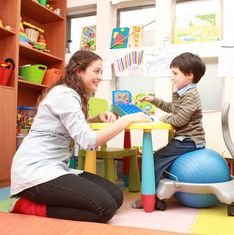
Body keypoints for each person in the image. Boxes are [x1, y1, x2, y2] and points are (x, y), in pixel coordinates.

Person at [10, 50, 151, 222]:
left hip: (55, 167)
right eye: (96, 71)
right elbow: (88, 141)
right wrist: (127, 119)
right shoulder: (64, 95)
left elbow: (73, 127)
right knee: (105, 208)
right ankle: (25, 206)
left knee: (116, 196)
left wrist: (97, 118)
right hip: (34, 172)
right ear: (79, 71)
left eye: (101, 72)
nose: (100, 77)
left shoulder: (72, 93)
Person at [132, 52, 206, 209]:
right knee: (159, 157)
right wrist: (154, 101)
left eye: (175, 73)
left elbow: (179, 120)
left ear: (189, 75)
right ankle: (159, 195)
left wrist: (163, 118)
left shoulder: (191, 95)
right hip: (184, 139)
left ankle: (148, 195)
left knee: (155, 158)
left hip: (189, 140)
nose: (172, 77)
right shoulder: (183, 93)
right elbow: (173, 108)